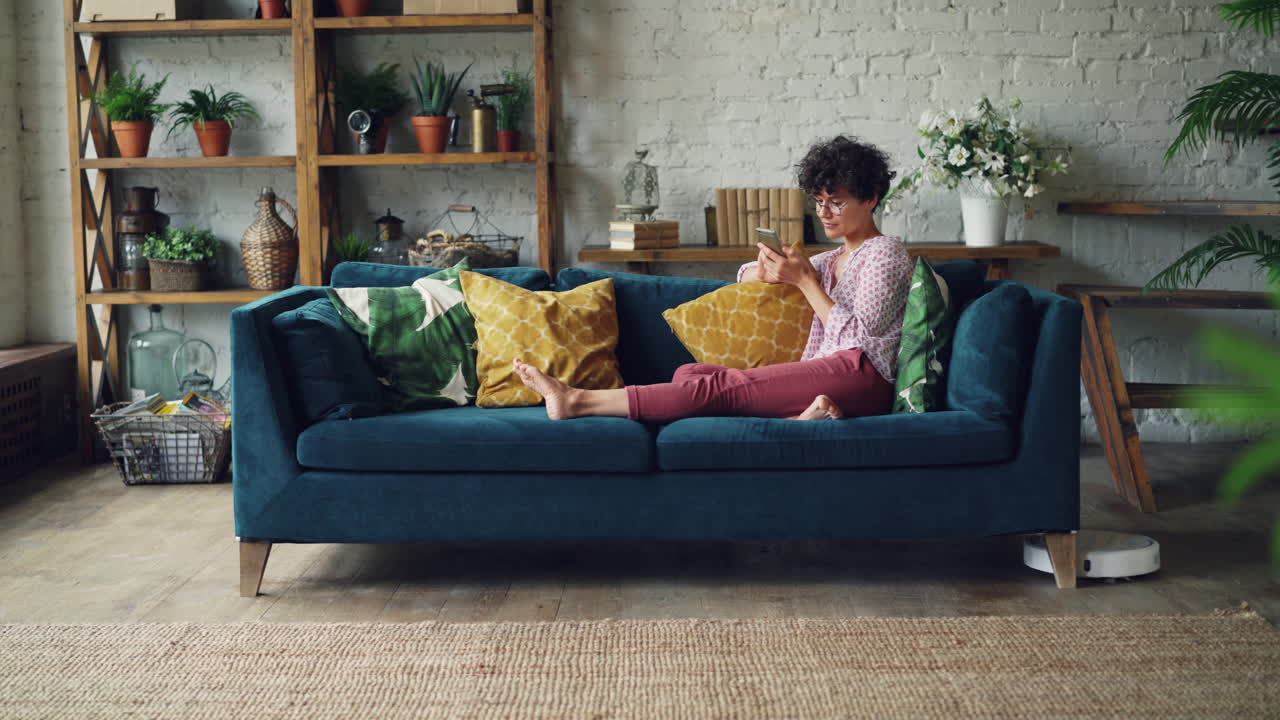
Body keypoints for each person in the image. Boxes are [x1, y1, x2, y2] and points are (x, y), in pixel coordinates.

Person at [514, 135, 915, 422]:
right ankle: (806, 419)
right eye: (820, 201)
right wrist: (762, 271)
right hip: (831, 372)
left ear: (871, 198)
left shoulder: (885, 254)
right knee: (693, 374)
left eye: (837, 202)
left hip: (863, 377)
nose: (825, 212)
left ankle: (576, 400)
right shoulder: (832, 258)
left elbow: (860, 342)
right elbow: (743, 279)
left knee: (715, 389)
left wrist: (806, 283)